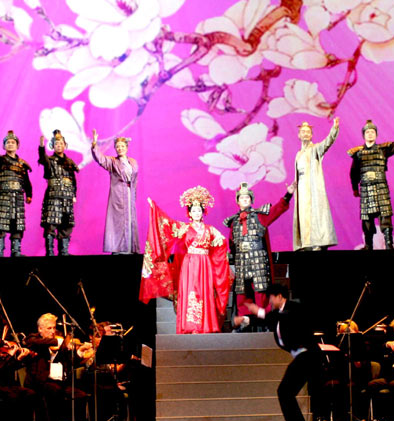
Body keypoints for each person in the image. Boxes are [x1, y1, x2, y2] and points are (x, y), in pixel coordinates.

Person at [234, 284, 319, 421]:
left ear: (280, 296)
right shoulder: (277, 314)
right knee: (286, 392)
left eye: (271, 298)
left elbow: (278, 317)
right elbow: (266, 320)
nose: (270, 302)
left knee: (285, 391)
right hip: (301, 357)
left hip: (308, 356)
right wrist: (245, 319)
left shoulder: (294, 308)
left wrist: (259, 312)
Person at [145, 187, 230, 333]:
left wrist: (220, 252)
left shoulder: (210, 229)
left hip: (204, 264)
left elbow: (221, 242)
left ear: (203, 212)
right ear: (189, 213)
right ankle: (191, 326)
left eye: (199, 210)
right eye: (194, 210)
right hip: (189, 265)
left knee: (204, 291)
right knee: (191, 291)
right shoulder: (184, 228)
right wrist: (155, 209)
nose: (196, 213)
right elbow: (167, 224)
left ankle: (206, 325)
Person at [222, 182, 293, 315]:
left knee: (261, 292)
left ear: (251, 200)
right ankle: (245, 321)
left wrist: (288, 195)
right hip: (242, 262)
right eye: (242, 198)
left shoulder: (259, 216)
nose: (245, 200)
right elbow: (232, 243)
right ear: (238, 201)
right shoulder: (234, 222)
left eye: (247, 197)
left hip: (257, 260)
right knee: (242, 294)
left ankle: (264, 320)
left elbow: (276, 210)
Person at [347, 119, 394, 250]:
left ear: (376, 135)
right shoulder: (358, 153)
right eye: (367, 132)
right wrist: (354, 188)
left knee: (385, 216)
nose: (370, 134)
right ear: (364, 135)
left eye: (372, 132)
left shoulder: (383, 150)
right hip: (366, 189)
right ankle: (368, 245)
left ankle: (389, 244)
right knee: (367, 219)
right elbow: (353, 173)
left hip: (381, 188)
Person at [292, 118, 340, 251]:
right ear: (299, 135)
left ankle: (317, 241)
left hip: (312, 186)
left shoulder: (315, 149)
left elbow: (327, 142)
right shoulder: (298, 154)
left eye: (308, 132)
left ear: (311, 135)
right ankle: (305, 243)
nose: (305, 134)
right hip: (301, 187)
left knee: (315, 211)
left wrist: (334, 129)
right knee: (303, 213)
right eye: (303, 132)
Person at [91, 130, 140, 254]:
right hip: (118, 196)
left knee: (130, 220)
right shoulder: (113, 161)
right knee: (117, 221)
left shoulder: (133, 162)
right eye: (118, 146)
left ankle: (130, 248)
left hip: (129, 194)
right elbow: (100, 159)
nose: (120, 148)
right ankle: (118, 248)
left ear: (126, 148)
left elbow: (135, 180)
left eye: (122, 146)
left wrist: (134, 195)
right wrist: (95, 144)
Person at [0, 130, 33, 257]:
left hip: (18, 197)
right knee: (0, 223)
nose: (10, 144)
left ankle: (16, 251)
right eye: (8, 142)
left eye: (13, 142)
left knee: (17, 224)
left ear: (17, 146)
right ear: (4, 146)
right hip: (4, 195)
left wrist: (29, 194)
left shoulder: (22, 164)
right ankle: (0, 252)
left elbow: (26, 181)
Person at [39, 130, 79, 257]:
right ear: (53, 146)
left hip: (67, 196)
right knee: (51, 223)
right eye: (56, 144)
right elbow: (43, 158)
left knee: (66, 224)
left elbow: (73, 180)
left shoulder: (70, 163)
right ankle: (50, 252)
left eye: (61, 143)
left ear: (65, 145)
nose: (59, 145)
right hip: (53, 195)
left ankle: (64, 251)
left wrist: (73, 194)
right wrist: (41, 147)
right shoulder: (50, 161)